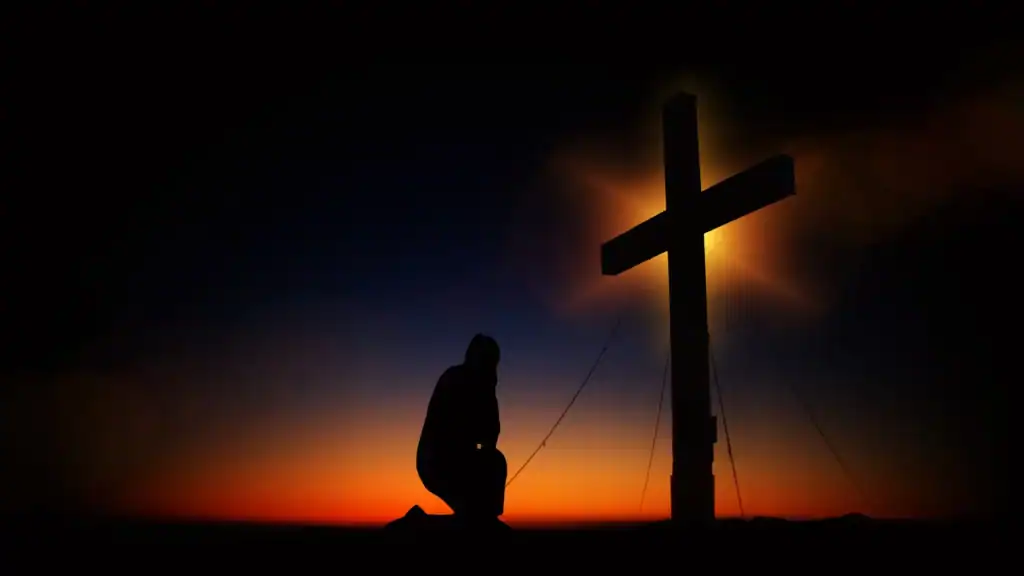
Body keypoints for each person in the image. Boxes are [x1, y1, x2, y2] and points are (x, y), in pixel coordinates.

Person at [416, 334, 507, 524]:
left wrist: (481, 448)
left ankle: (483, 517)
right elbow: (450, 427)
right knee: (490, 465)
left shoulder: (487, 391)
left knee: (496, 462)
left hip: (466, 457)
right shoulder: (453, 379)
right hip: (436, 459)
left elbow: (491, 433)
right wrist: (476, 447)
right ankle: (475, 519)